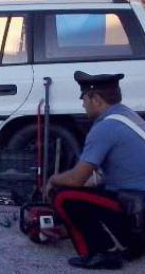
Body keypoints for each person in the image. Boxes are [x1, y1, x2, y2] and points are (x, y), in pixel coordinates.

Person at [46, 71, 145, 269]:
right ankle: (131, 243)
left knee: (62, 196)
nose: (83, 105)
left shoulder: (104, 128)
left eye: (84, 98)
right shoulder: (127, 115)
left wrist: (52, 180)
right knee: (88, 191)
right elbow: (103, 175)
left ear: (96, 99)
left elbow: (76, 180)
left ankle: (99, 254)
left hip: (136, 205)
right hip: (138, 202)